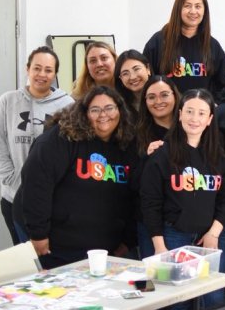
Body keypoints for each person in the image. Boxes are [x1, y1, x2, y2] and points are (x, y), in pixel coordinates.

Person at [141, 89, 225, 310]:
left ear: (210, 119)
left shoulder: (218, 157)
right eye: (190, 111)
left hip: (211, 238)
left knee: (214, 298)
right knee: (179, 302)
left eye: (201, 113)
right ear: (180, 114)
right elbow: (150, 203)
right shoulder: (162, 155)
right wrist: (159, 246)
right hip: (174, 237)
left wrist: (214, 233)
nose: (195, 118)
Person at [17, 86, 137, 268]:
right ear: (84, 113)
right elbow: (36, 185)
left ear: (120, 110)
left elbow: (133, 195)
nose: (103, 115)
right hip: (58, 248)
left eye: (109, 108)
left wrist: (128, 240)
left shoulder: (126, 145)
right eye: (95, 110)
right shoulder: (62, 139)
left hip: (102, 251)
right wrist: (38, 234)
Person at [0, 46, 75, 245]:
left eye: (48, 70)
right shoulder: (8, 101)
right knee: (23, 256)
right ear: (27, 69)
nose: (42, 74)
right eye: (37, 68)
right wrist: (14, 182)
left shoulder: (68, 105)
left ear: (55, 74)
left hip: (51, 200)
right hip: (13, 197)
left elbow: (71, 152)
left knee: (49, 256)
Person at [142, 0, 225, 95]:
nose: (193, 11)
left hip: (202, 106)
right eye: (187, 6)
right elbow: (146, 82)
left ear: (204, 10)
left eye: (198, 6)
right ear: (178, 9)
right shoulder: (157, 42)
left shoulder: (212, 45)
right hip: (167, 106)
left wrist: (212, 103)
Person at [133, 75, 181, 259]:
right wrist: (147, 158)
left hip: (184, 222)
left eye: (164, 95)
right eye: (151, 97)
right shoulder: (136, 135)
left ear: (175, 95)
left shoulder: (190, 128)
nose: (158, 101)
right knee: (156, 276)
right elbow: (131, 183)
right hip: (151, 223)